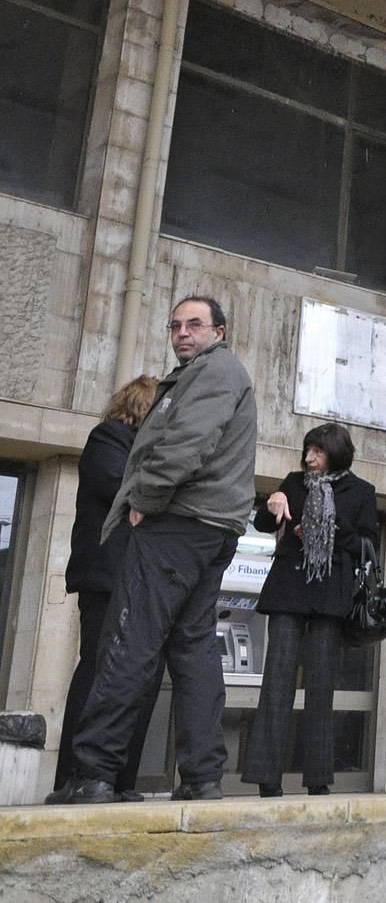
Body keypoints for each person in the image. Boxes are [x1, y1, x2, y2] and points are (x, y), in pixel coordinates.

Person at [63, 296, 258, 805]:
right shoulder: (207, 373)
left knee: (130, 640)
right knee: (191, 647)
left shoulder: (214, 372)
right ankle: (201, 777)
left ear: (220, 330)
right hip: (206, 527)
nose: (182, 333)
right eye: (175, 325)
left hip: (180, 523)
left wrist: (144, 500)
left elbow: (187, 442)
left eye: (194, 324)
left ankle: (96, 773)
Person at [241, 423, 380, 798]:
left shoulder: (361, 492)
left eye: (317, 452)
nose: (309, 459)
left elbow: (369, 543)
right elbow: (264, 522)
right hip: (289, 588)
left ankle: (318, 779)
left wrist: (328, 529)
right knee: (277, 681)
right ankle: (267, 778)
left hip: (329, 596)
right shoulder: (293, 481)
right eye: (307, 451)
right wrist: (272, 505)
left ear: (335, 452)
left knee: (321, 687)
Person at [48, 376, 162, 804]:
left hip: (140, 577)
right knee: (98, 668)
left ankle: (120, 779)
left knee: (140, 677)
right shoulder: (109, 438)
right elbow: (124, 491)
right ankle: (73, 777)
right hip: (108, 575)